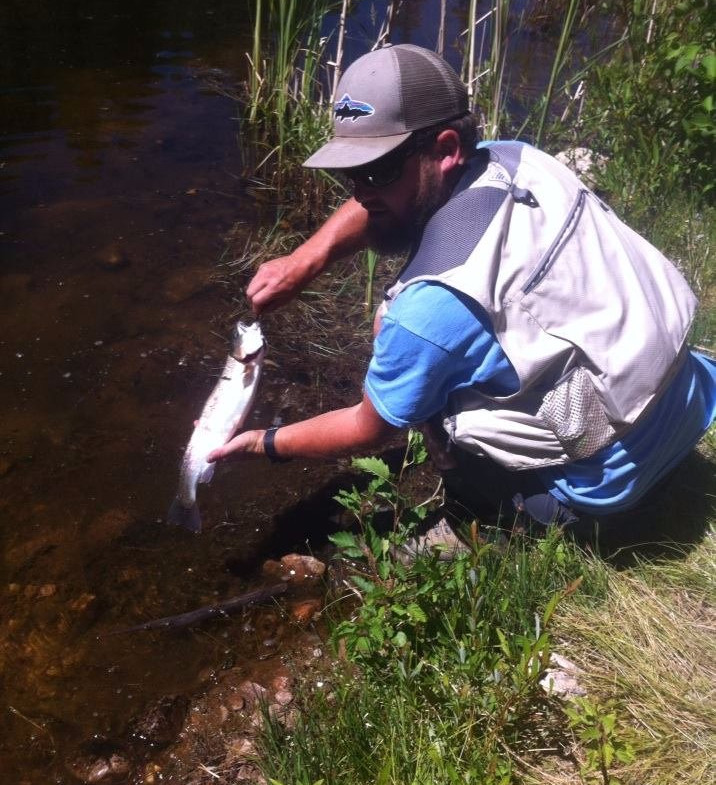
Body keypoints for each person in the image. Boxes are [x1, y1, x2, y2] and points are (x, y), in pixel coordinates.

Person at [208, 44, 716, 542]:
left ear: (448, 149)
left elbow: (369, 429)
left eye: (377, 170)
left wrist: (265, 444)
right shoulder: (518, 159)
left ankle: (490, 519)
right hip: (690, 397)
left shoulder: (430, 307)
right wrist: (306, 259)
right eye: (349, 174)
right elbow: (389, 198)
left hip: (609, 485)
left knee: (416, 368)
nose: (360, 193)